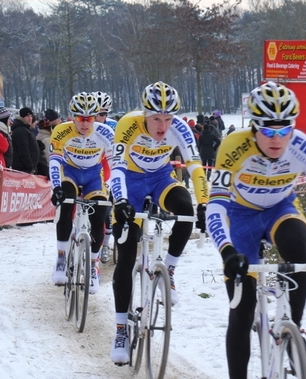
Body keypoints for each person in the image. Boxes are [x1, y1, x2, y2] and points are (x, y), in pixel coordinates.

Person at [205, 81, 306, 379]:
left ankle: (292, 332)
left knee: (299, 246)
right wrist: (227, 250)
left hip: (280, 209)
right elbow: (215, 206)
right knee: (242, 311)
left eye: (284, 129)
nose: (277, 138)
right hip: (240, 217)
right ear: (254, 127)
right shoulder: (233, 145)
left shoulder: (303, 146)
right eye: (268, 130)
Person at [109, 81, 209, 364]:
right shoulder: (127, 125)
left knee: (186, 210)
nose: (163, 126)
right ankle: (120, 330)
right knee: (127, 256)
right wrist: (120, 201)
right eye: (156, 119)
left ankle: (170, 271)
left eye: (168, 118)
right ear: (145, 115)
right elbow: (115, 168)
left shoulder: (180, 129)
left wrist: (204, 202)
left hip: (160, 179)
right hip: (130, 183)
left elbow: (196, 166)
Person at [48, 92, 113, 292]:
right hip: (70, 173)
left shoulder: (105, 133)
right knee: (66, 205)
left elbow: (115, 164)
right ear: (72, 117)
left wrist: (115, 190)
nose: (85, 124)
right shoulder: (61, 131)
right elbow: (54, 161)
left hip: (95, 176)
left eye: (90, 119)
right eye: (80, 119)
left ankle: (93, 265)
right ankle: (61, 258)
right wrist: (56, 187)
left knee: (100, 216)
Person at [93, 91, 117, 264]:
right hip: (87, 170)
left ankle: (106, 245)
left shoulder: (113, 127)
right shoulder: (82, 124)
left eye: (102, 114)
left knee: (105, 211)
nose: (97, 117)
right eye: (95, 113)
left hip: (106, 169)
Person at [11, 107, 39, 174]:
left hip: (25, 168)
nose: (30, 119)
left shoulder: (25, 129)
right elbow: (23, 150)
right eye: (27, 116)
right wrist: (30, 166)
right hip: (23, 169)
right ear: (22, 117)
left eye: (31, 116)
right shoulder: (21, 130)